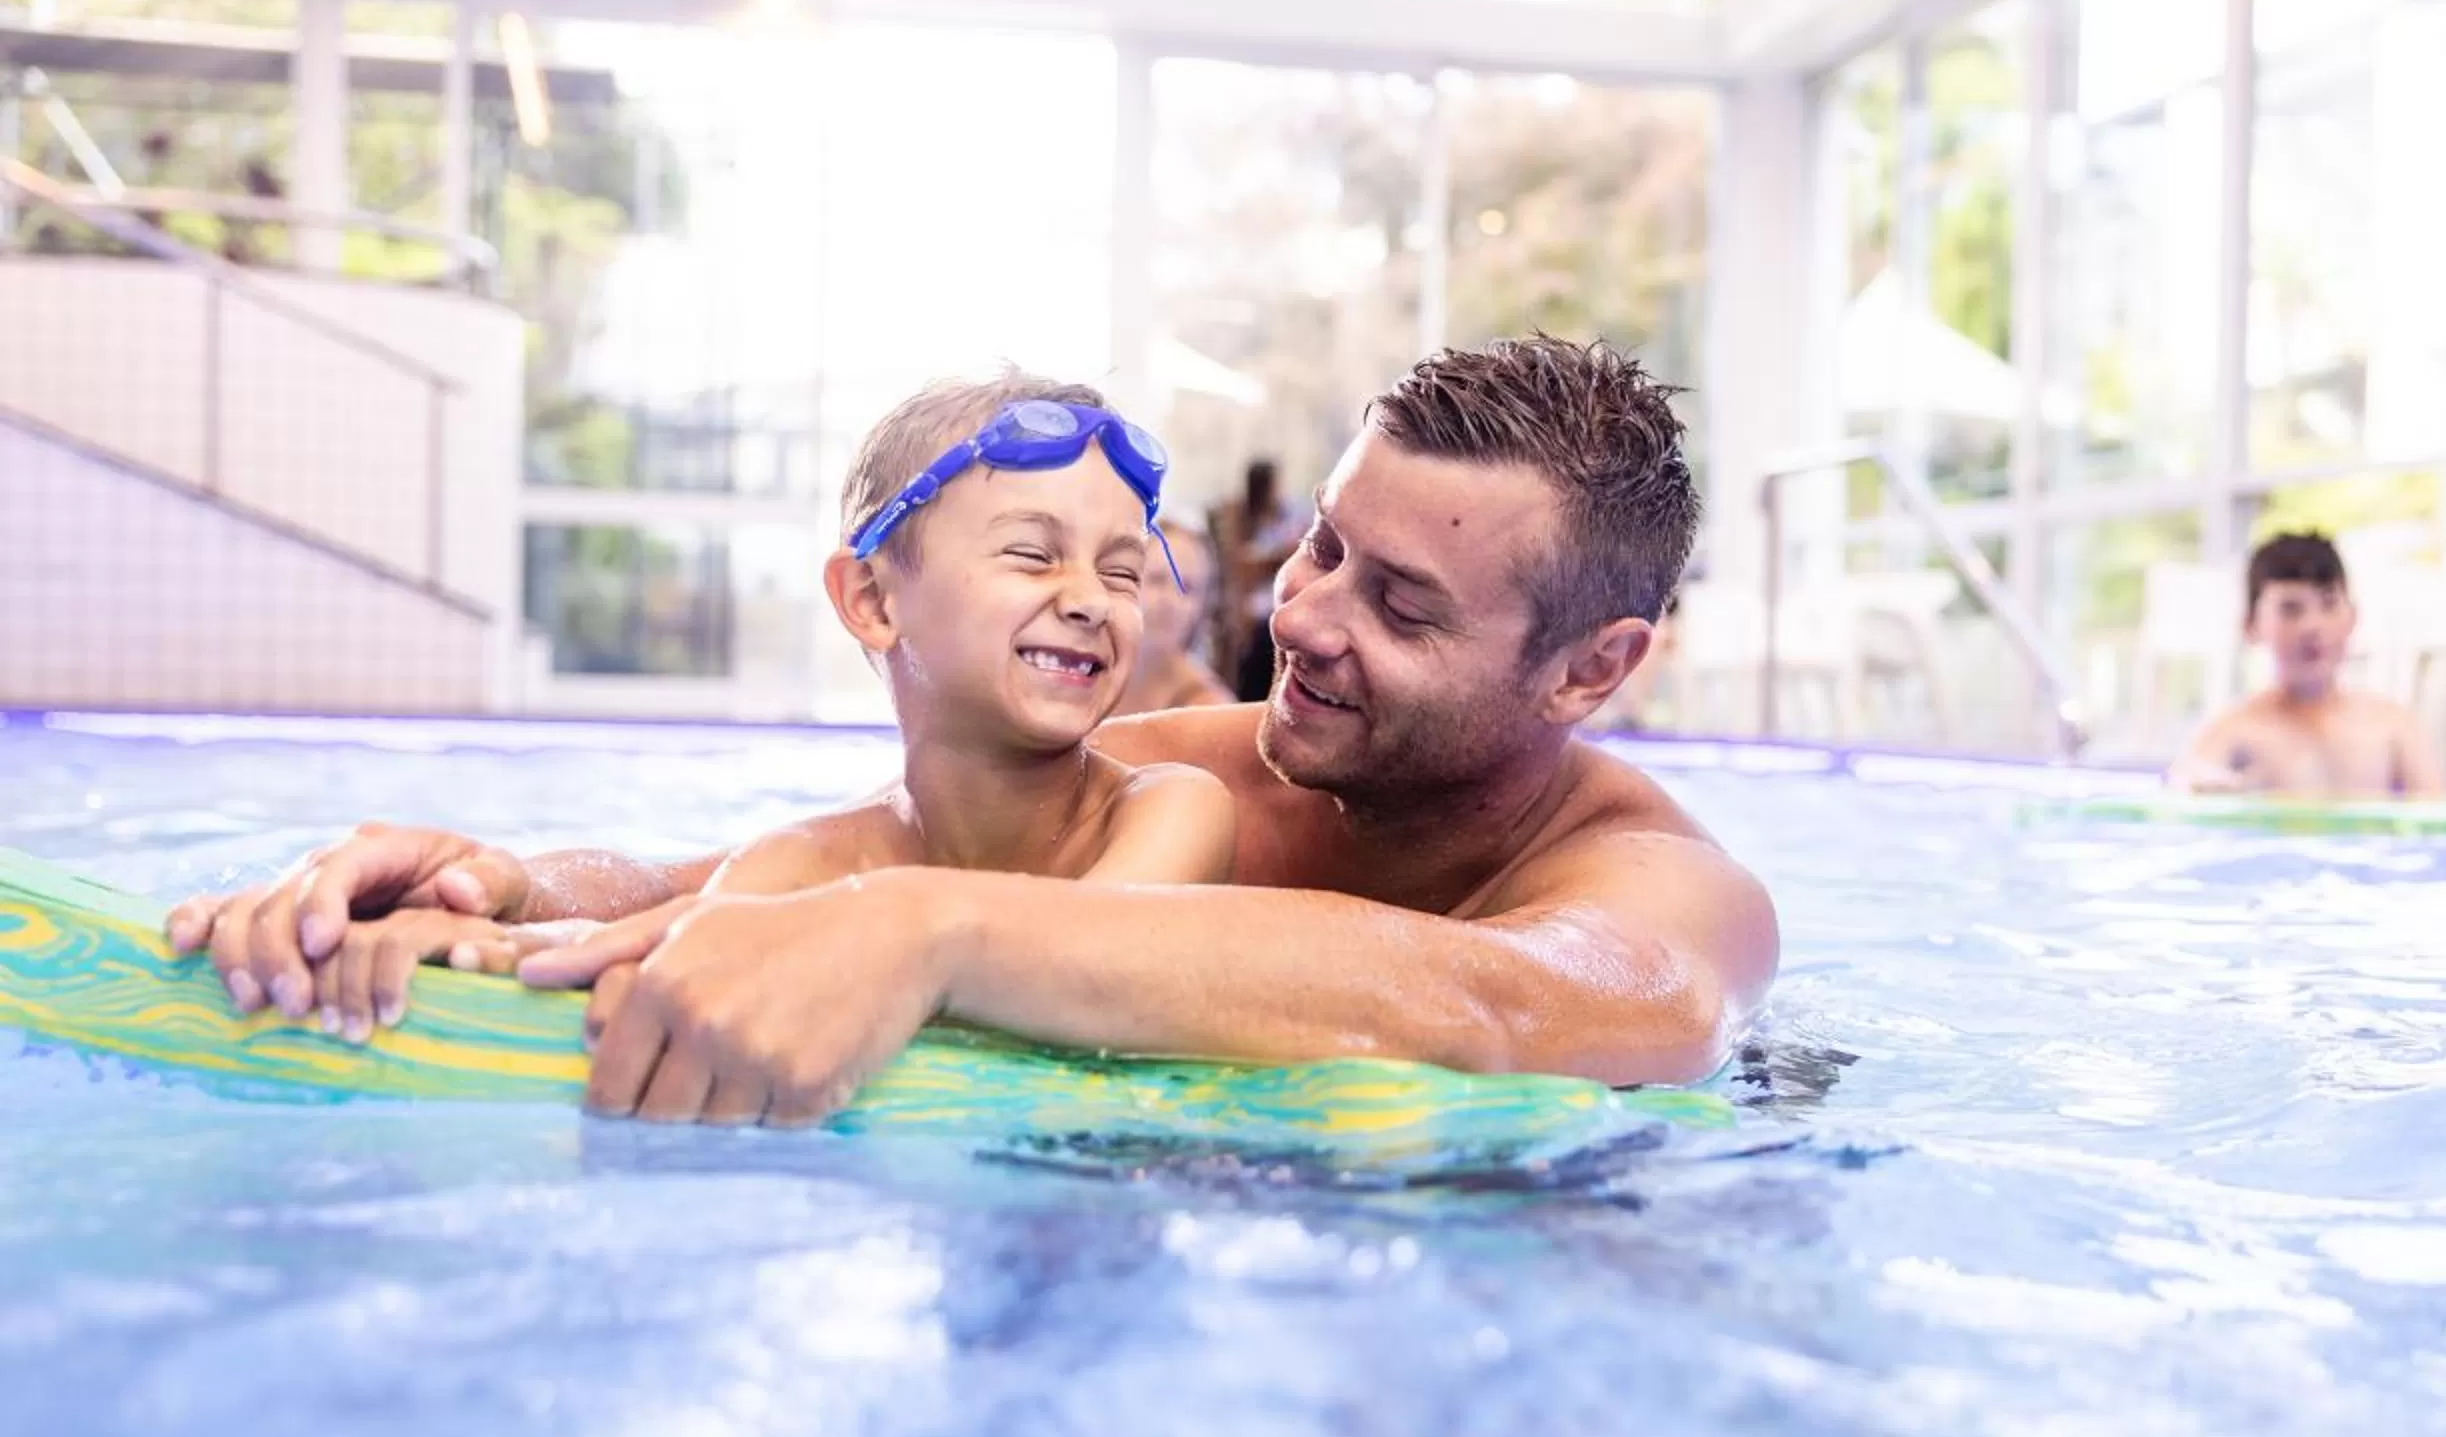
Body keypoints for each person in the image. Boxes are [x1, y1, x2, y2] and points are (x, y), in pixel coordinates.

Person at [168, 335, 1779, 1124]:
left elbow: (1524, 1005)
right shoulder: (1216, 764)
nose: (1300, 619)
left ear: (1592, 669)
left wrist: (934, 931)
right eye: (1322, 552)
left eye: (1402, 608)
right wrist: (503, 888)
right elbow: (785, 878)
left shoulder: (1663, 884)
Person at [176, 370, 1235, 1045]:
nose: (1090, 598)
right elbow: (657, 921)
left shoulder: (1170, 809)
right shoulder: (823, 857)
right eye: (1031, 552)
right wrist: (462, 927)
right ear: (871, 599)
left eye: (1122, 570)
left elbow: (1096, 948)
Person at [2171, 530, 2446, 799]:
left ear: (2352, 617)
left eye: (2328, 605)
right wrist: (2203, 786)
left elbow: (2441, 823)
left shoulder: (2392, 727)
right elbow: (2188, 784)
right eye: (2291, 610)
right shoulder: (2236, 732)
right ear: (2250, 626)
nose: (2312, 626)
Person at [1109, 513, 1232, 718]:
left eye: (1187, 588)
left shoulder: (1210, 707)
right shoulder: (1089, 674)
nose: (1170, 602)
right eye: (1157, 580)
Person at [1214, 458, 1304, 703]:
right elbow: (1243, 567)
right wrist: (1278, 556)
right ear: (1264, 486)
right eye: (1276, 484)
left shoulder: (1285, 516)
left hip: (1276, 607)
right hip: (1254, 614)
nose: (1281, 490)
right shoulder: (1241, 519)